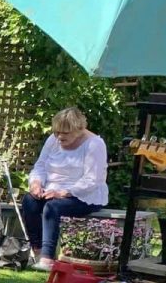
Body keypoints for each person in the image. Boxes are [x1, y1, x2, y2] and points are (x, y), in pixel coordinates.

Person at [20, 106, 110, 272]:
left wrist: (63, 192)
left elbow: (92, 180)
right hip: (52, 191)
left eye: (65, 133)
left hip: (84, 196)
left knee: (52, 207)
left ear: (79, 130)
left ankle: (47, 259)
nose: (60, 137)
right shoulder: (53, 140)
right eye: (57, 132)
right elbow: (40, 166)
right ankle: (36, 250)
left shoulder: (94, 144)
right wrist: (36, 183)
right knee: (29, 201)